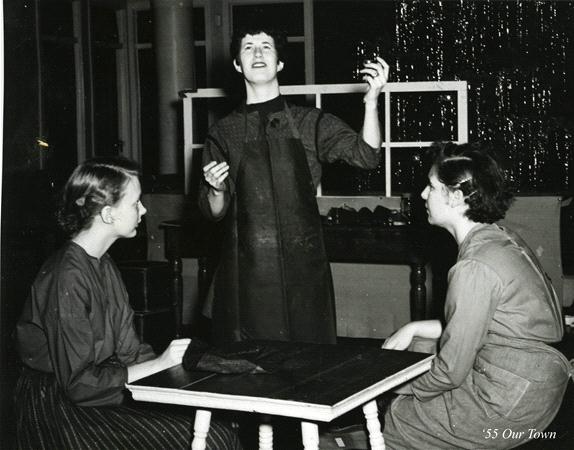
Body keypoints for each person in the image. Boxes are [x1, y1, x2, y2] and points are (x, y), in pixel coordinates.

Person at [15, 157, 241, 450]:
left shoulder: (103, 263)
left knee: (216, 428)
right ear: (108, 214)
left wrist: (179, 374)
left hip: (100, 385)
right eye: (136, 203)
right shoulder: (65, 276)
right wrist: (161, 364)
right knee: (211, 439)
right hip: (59, 406)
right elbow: (80, 386)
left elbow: (129, 350)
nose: (144, 209)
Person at [198, 26, 389, 345]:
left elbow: (367, 156)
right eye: (248, 48)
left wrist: (371, 103)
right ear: (236, 64)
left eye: (265, 47)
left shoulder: (310, 122)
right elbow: (215, 212)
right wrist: (217, 190)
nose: (257, 54)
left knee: (307, 364)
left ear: (280, 63)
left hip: (303, 271)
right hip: (245, 273)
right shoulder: (223, 132)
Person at [381, 142, 572, 449]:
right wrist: (414, 328)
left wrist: (387, 386)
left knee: (401, 418)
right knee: (418, 346)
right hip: (536, 381)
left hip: (510, 399)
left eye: (431, 187)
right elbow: (490, 324)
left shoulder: (473, 266)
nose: (423, 195)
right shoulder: (499, 238)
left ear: (456, 197)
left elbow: (449, 374)